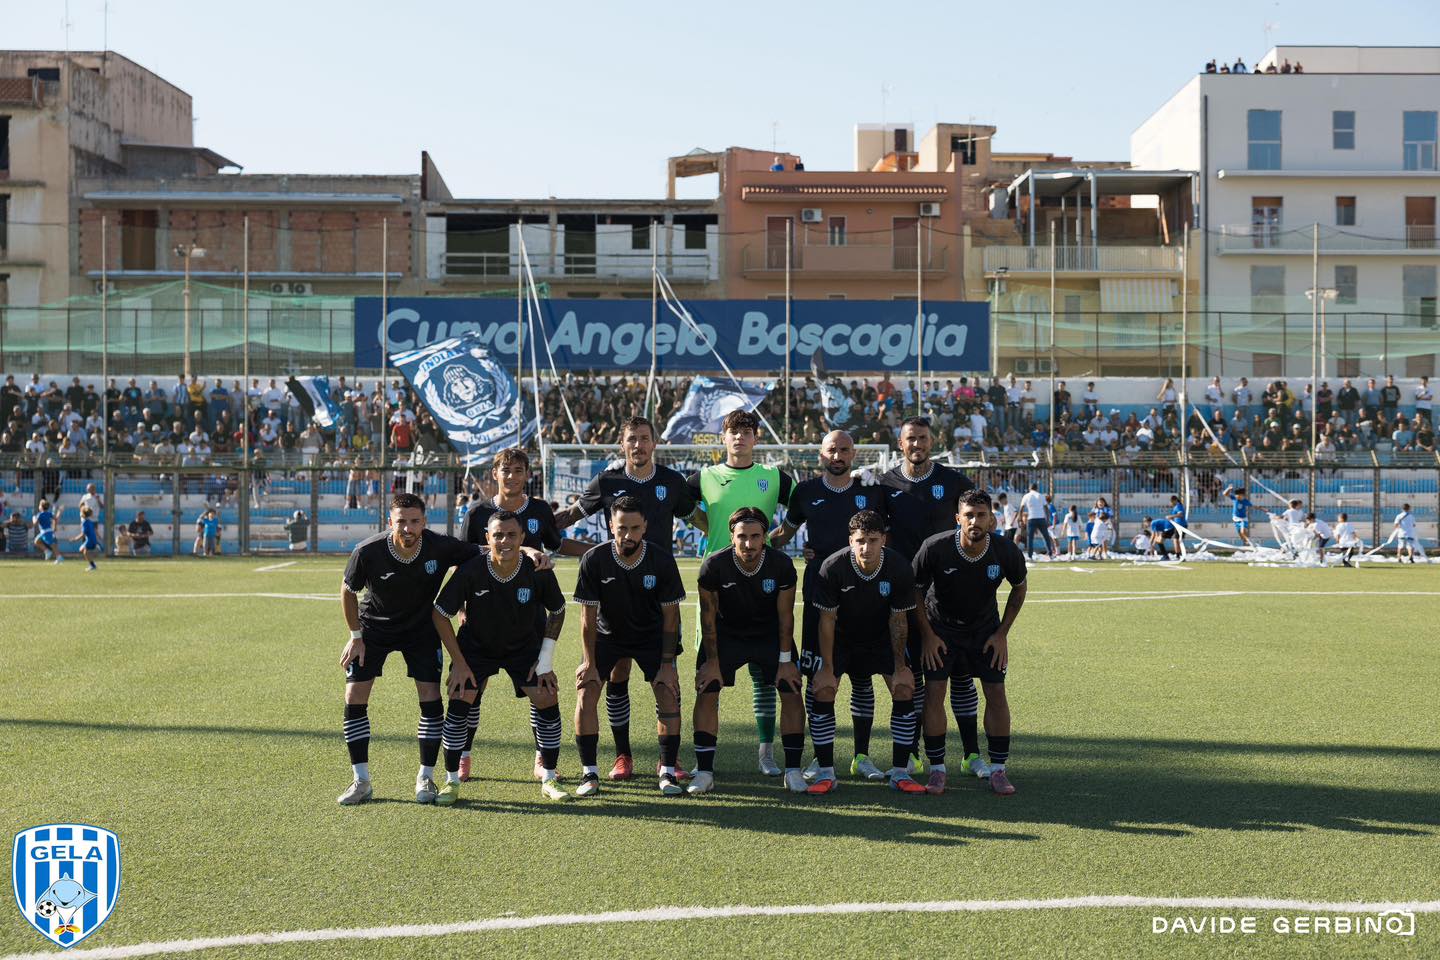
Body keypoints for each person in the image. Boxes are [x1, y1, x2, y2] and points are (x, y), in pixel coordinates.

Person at [553, 415, 697, 782]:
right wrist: (533, 525)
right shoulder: (607, 481)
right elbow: (571, 514)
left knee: (668, 678)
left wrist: (727, 545)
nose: (638, 445)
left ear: (655, 443)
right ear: (623, 444)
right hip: (615, 592)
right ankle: (622, 757)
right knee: (617, 677)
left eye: (645, 438)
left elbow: (699, 518)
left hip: (658, 592)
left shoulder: (671, 482)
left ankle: (671, 760)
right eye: (632, 439)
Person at [337, 493, 482, 806]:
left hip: (420, 630)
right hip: (374, 630)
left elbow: (485, 551)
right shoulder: (368, 551)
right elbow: (348, 591)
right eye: (401, 521)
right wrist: (356, 636)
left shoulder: (440, 546)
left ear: (424, 522)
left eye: (414, 521)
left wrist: (527, 551)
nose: (408, 528)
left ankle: (425, 777)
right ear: (390, 522)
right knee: (354, 697)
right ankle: (361, 781)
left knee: (430, 698)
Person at [770, 429, 889, 780]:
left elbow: (887, 538)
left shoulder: (871, 492)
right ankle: (820, 757)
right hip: (820, 594)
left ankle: (862, 756)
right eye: (831, 450)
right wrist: (744, 546)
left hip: (864, 597)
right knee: (818, 677)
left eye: (844, 450)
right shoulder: (805, 493)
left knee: (862, 677)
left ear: (854, 455)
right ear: (820, 454)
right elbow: (784, 535)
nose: (837, 455)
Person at [683, 409, 796, 777]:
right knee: (709, 671)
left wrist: (780, 538)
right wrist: (706, 525)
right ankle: (702, 763)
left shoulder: (773, 477)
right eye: (732, 432)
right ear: (724, 438)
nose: (739, 438)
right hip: (717, 583)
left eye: (746, 432)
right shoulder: (706, 476)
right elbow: (678, 505)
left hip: (763, 580)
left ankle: (766, 752)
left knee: (766, 677)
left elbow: (803, 505)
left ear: (756, 438)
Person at [431, 510, 569, 804]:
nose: (504, 541)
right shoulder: (471, 569)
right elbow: (440, 614)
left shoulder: (537, 571)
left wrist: (545, 660)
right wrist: (459, 663)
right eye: (498, 535)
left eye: (511, 535)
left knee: (546, 695)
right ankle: (451, 781)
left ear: (522, 538)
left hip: (523, 647)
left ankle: (550, 777)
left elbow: (558, 611)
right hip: (476, 648)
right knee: (460, 697)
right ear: (487, 538)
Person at [914, 489, 1028, 795]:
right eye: (968, 515)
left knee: (996, 692)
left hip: (985, 631)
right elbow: (914, 592)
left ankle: (999, 769)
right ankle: (937, 769)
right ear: (958, 519)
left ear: (992, 519)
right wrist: (927, 636)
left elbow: (1019, 588)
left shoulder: (1005, 551)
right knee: (935, 692)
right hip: (941, 630)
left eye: (981, 515)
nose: (974, 521)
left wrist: (1002, 634)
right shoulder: (935, 548)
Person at [572, 496, 686, 797]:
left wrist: (666, 664)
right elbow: (587, 619)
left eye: (635, 528)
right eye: (622, 528)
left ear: (645, 526)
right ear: (611, 526)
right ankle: (591, 773)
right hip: (608, 636)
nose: (628, 535)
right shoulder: (594, 559)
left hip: (651, 636)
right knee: (587, 690)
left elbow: (671, 617)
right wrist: (589, 662)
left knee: (668, 693)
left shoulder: (661, 559)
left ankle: (667, 771)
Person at [808, 510, 924, 795]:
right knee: (822, 689)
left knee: (905, 686)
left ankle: (900, 772)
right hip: (841, 640)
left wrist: (899, 665)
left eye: (873, 540)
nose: (866, 547)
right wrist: (825, 667)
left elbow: (899, 620)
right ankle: (825, 773)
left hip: (880, 638)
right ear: (850, 540)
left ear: (883, 539)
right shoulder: (832, 567)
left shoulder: (898, 567)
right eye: (860, 540)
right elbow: (826, 622)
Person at [691, 507, 805, 795]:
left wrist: (785, 661)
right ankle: (704, 771)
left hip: (769, 635)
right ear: (732, 536)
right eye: (742, 536)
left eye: (755, 536)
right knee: (707, 688)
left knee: (791, 689)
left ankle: (792, 770)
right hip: (727, 635)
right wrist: (713, 661)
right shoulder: (714, 566)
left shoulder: (781, 565)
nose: (748, 543)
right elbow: (708, 619)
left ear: (765, 537)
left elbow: (785, 618)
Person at [1018, 483, 1055, 560]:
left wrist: (1020, 519)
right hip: (1041, 518)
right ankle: (1050, 555)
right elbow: (1046, 509)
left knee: (1030, 538)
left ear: (1029, 488)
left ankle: (1030, 556)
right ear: (1037, 488)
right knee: (1046, 537)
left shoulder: (1026, 496)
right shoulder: (1040, 495)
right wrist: (1047, 520)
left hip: (1031, 519)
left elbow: (1021, 508)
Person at [70, 505, 100, 571]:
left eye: (80, 512)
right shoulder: (90, 521)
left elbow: (83, 534)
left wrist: (75, 539)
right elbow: (94, 530)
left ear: (82, 514)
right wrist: (98, 536)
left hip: (90, 540)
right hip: (92, 539)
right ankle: (93, 560)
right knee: (82, 550)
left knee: (85, 552)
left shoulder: (84, 523)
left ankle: (92, 565)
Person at [32, 499, 61, 563]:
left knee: (52, 544)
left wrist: (33, 518)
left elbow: (35, 523)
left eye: (39, 505)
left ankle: (59, 557)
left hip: (45, 532)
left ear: (41, 507)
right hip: (47, 531)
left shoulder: (40, 514)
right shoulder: (49, 513)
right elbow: (55, 518)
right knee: (36, 541)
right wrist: (55, 527)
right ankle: (47, 551)